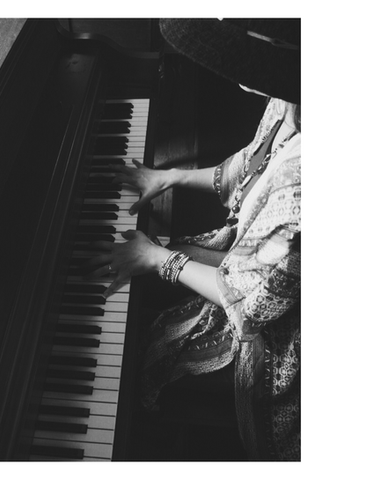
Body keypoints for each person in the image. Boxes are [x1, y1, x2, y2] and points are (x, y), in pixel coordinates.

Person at [88, 18, 301, 461]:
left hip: (277, 336)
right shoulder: (293, 99)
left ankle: (154, 435)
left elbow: (249, 304)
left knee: (145, 351)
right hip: (251, 269)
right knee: (157, 266)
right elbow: (248, 166)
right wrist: (169, 177)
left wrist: (156, 258)